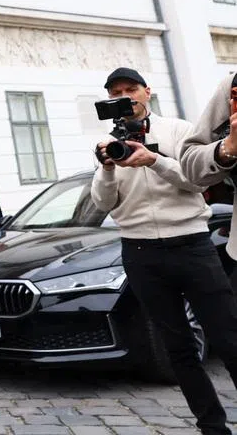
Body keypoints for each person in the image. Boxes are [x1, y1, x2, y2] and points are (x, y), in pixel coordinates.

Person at [94, 67, 237, 435]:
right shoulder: (109, 142)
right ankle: (212, 426)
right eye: (116, 92)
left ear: (147, 92)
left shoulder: (178, 129)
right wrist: (107, 167)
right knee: (178, 348)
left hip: (191, 243)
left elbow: (197, 180)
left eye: (131, 89)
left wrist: (154, 160)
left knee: (228, 336)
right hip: (141, 251)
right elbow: (103, 202)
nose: (124, 96)